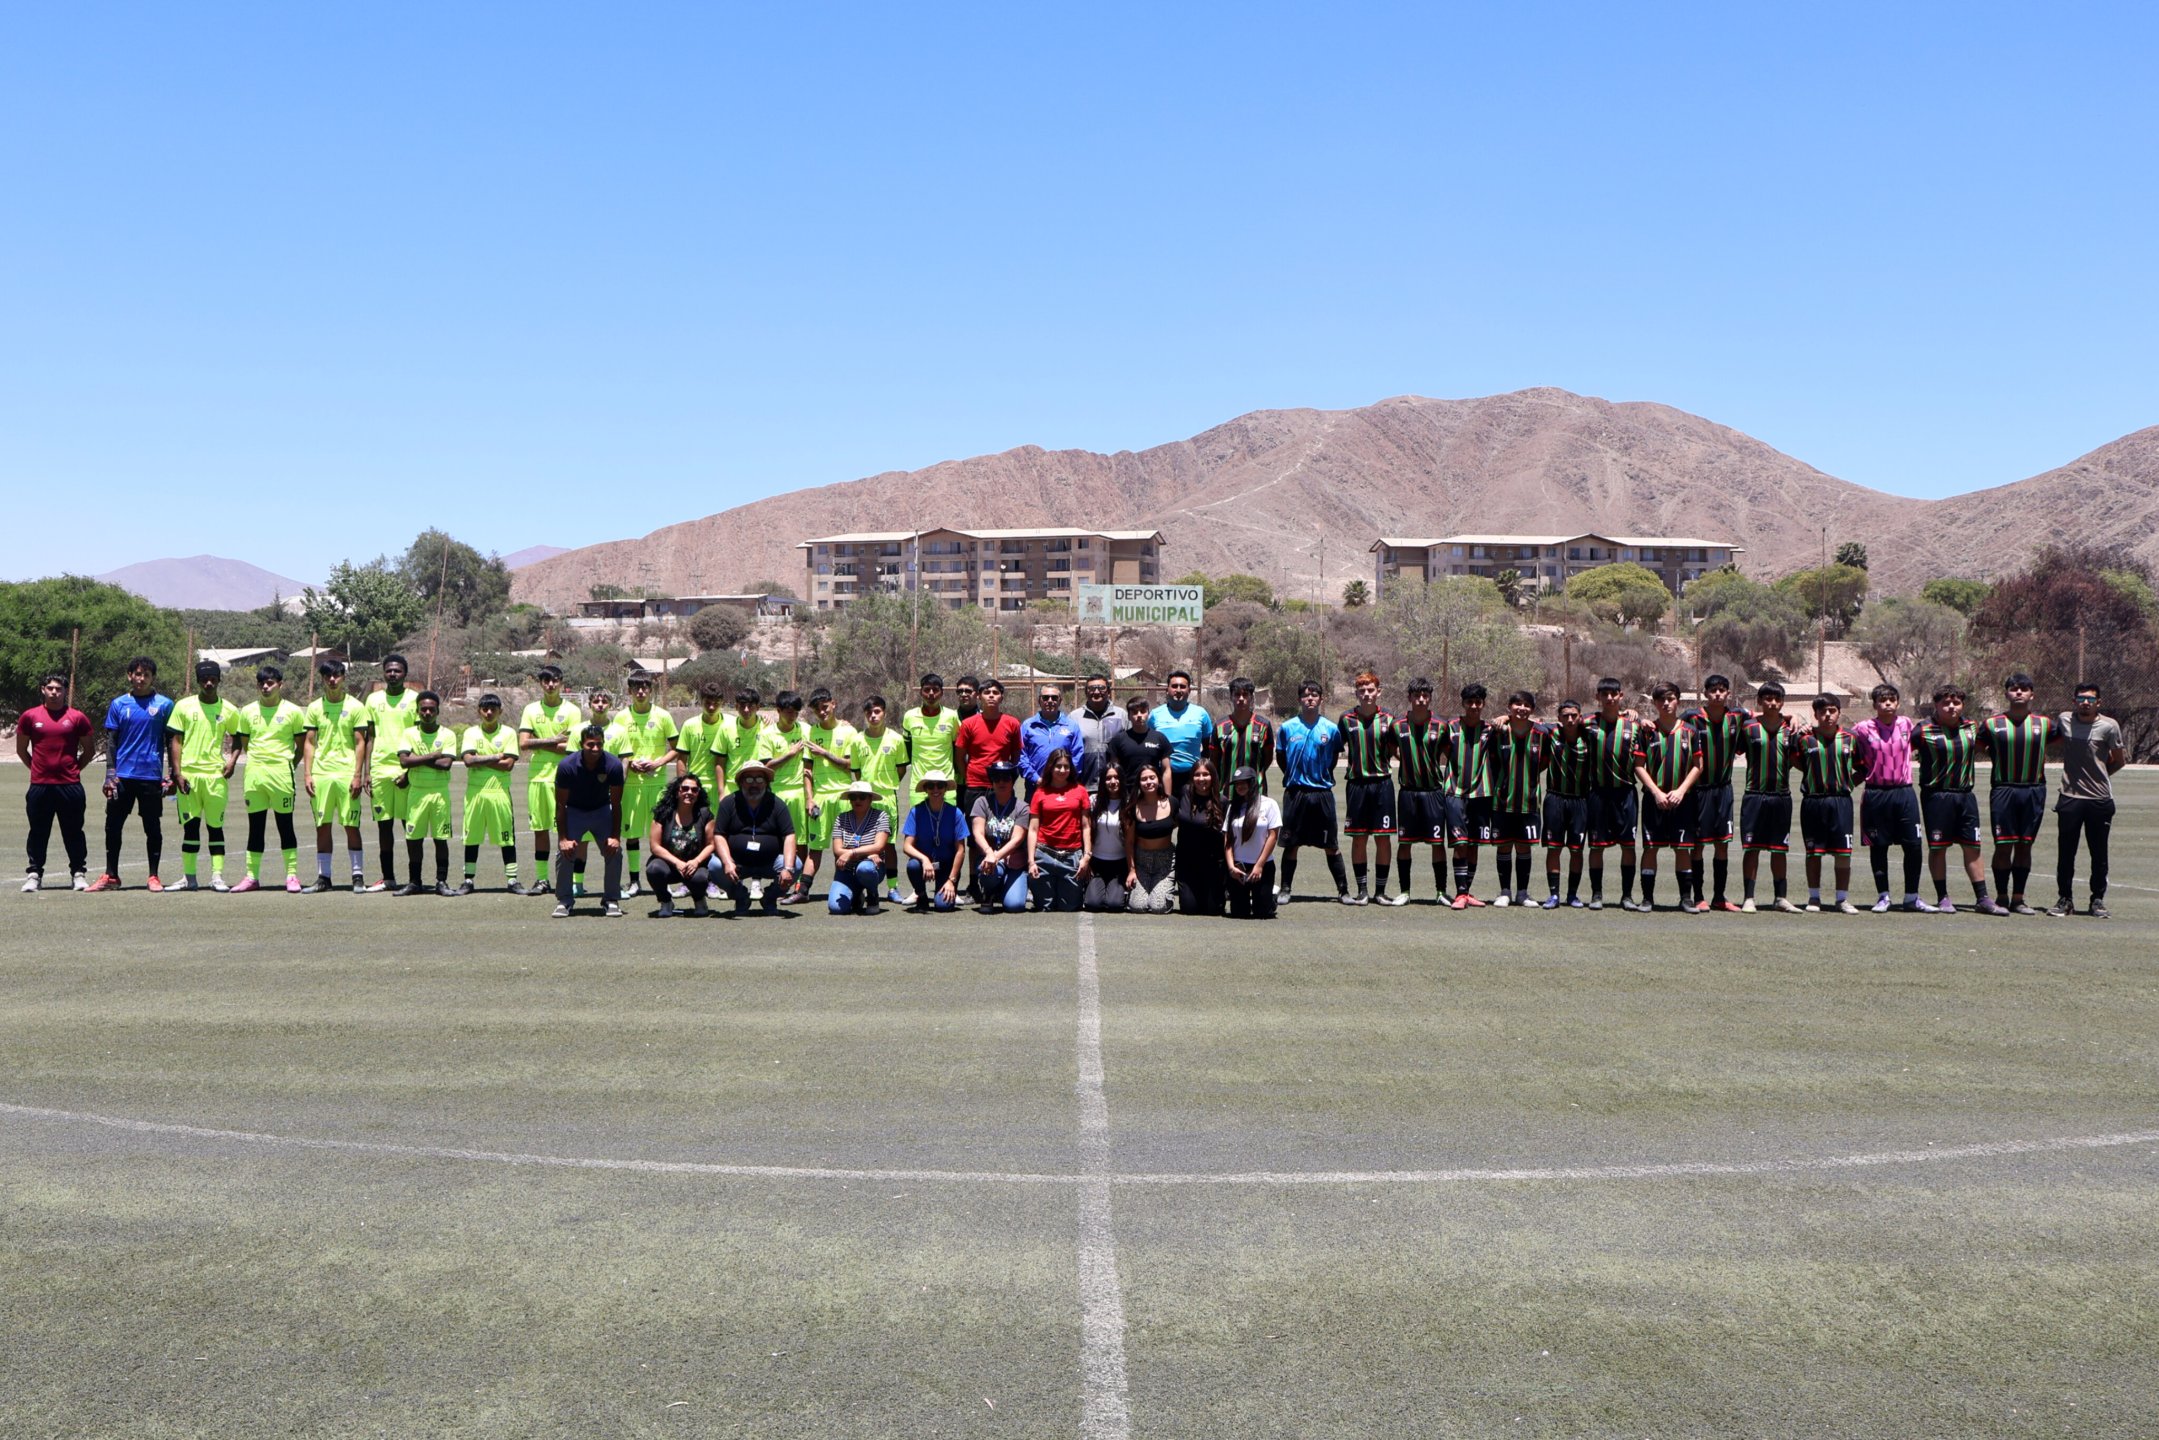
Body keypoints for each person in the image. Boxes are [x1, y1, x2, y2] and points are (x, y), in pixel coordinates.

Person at [1975, 672, 2058, 915]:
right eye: (2013, 688)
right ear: (2006, 693)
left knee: (2024, 846)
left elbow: (2058, 741)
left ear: (2032, 694)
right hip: (2004, 789)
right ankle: (2001, 897)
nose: (2018, 692)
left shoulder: (2045, 724)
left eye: (2024, 688)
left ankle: (2018, 899)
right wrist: (1996, 754)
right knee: (2003, 845)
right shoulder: (1992, 724)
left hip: (2033, 790)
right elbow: (1978, 744)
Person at [91, 657, 173, 892]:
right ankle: (111, 875)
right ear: (130, 676)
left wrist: (170, 773)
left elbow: (171, 741)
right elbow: (112, 741)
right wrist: (110, 773)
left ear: (153, 678)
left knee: (152, 826)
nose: (141, 678)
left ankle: (153, 876)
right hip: (122, 777)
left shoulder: (165, 705)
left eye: (146, 674)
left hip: (151, 776)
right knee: (113, 825)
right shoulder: (119, 704)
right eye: (137, 674)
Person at [1916, 685, 1996, 915]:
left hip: (1965, 796)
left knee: (1973, 846)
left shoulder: (1971, 727)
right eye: (1946, 703)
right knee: (1938, 848)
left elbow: (1988, 747)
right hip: (1936, 796)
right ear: (1936, 705)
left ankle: (1983, 898)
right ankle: (1943, 897)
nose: (1951, 707)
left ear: (1963, 705)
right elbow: (1901, 748)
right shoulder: (1923, 729)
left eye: (1956, 703)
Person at [1851, 682, 1929, 912]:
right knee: (1879, 847)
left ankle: (1912, 897)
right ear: (1874, 704)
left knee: (1913, 845)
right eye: (1882, 700)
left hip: (1904, 792)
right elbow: (1841, 739)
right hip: (1876, 793)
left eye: (1892, 699)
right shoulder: (1863, 728)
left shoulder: (1906, 724)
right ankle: (1883, 897)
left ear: (1898, 703)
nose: (1887, 703)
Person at [230, 665, 308, 892]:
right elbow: (246, 744)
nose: (265, 686)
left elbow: (301, 746)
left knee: (285, 826)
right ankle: (251, 877)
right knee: (255, 828)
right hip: (255, 775)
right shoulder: (247, 711)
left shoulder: (293, 711)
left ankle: (291, 876)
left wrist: (288, 765)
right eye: (262, 683)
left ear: (280, 685)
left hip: (281, 776)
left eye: (270, 683)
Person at [17, 673, 96, 892]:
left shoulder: (77, 717)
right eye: (50, 688)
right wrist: (37, 770)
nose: (54, 692)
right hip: (40, 786)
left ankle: (78, 873)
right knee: (38, 832)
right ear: (43, 689)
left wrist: (73, 770)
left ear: (65, 691)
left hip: (70, 786)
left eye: (58, 689)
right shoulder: (30, 717)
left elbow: (89, 750)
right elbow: (21, 750)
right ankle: (34, 875)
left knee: (74, 831)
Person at [2051, 682, 2124, 918]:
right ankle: (2065, 899)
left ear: (2098, 703)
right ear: (2074, 701)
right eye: (2081, 698)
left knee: (2099, 853)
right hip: (2070, 798)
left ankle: (2097, 900)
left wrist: (2099, 776)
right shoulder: (2064, 720)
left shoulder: (2109, 726)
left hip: (2099, 799)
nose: (2085, 703)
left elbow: (2119, 760)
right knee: (2066, 853)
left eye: (2090, 699)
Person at [299, 660, 371, 892]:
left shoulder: (356, 707)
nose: (332, 679)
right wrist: (307, 774)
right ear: (322, 679)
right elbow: (309, 742)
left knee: (351, 825)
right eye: (328, 676)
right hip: (321, 774)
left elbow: (360, 742)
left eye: (337, 675)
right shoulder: (314, 708)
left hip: (347, 774)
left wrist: (357, 774)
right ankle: (324, 878)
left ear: (343, 677)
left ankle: (357, 877)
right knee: (322, 826)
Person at [1275, 681, 1349, 903]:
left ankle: (1343, 891)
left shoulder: (1331, 729)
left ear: (1321, 699)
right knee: (1291, 844)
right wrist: (1294, 776)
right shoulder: (1287, 728)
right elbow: (1281, 758)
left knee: (1331, 845)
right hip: (1295, 793)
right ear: (1299, 699)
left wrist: (1319, 776)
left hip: (1321, 793)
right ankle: (1285, 890)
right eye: (1306, 695)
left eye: (1314, 695)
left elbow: (1333, 758)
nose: (1310, 698)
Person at [168, 659, 240, 891]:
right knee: (190, 828)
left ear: (219, 680)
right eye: (204, 679)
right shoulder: (183, 706)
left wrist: (232, 761)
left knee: (215, 828)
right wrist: (177, 773)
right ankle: (189, 878)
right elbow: (175, 740)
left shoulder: (229, 709)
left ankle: (217, 877)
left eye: (213, 679)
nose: (209, 683)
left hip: (215, 778)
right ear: (198, 681)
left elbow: (238, 739)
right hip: (189, 777)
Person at [610, 672, 681, 898]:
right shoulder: (621, 717)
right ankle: (634, 881)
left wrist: (657, 762)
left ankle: (665, 880)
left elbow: (678, 748)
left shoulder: (663, 716)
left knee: (662, 833)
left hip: (657, 783)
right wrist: (630, 764)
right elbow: (615, 749)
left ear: (651, 690)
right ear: (629, 691)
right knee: (631, 835)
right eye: (636, 688)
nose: (640, 692)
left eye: (645, 688)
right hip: (631, 784)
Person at [1681, 675, 1749, 912]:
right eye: (1713, 690)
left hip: (1724, 790)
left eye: (1722, 690)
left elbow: (1763, 717)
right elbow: (1669, 726)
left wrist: (1791, 718)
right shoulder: (1691, 717)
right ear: (1705, 694)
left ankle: (1719, 896)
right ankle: (1699, 896)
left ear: (1728, 693)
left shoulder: (1737, 716)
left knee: (1722, 844)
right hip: (1699, 792)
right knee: (1698, 845)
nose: (1717, 694)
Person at [1634, 682, 1703, 913]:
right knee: (1650, 848)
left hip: (1682, 801)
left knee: (1682, 849)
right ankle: (1647, 899)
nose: (1666, 703)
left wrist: (1681, 791)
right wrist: (1656, 792)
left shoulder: (1690, 731)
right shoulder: (1647, 731)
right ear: (1654, 703)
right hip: (1654, 800)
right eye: (1661, 699)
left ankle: (1686, 899)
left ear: (1678, 700)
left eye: (1671, 698)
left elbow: (1698, 766)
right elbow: (1639, 765)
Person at [518, 666, 583, 899]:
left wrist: (540, 741)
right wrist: (554, 740)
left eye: (555, 680)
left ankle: (566, 879)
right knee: (540, 829)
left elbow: (572, 747)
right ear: (541, 683)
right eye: (546, 680)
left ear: (561, 682)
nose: (550, 684)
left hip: (564, 777)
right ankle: (542, 879)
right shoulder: (531, 709)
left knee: (565, 831)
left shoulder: (573, 711)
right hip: (537, 777)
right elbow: (523, 744)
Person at [1738, 683, 1801, 913]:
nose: (1772, 703)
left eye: (1777, 699)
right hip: (1754, 795)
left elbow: (1797, 760)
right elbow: (1734, 750)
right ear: (1759, 701)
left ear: (1782, 702)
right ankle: (1748, 898)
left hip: (1781, 797)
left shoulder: (1791, 729)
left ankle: (1780, 897)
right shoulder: (1748, 727)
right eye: (1768, 698)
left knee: (1779, 849)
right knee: (1751, 848)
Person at [553, 724, 626, 918]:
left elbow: (616, 804)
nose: (595, 748)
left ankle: (611, 899)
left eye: (599, 744)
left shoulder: (613, 765)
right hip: (574, 811)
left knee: (615, 851)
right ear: (581, 745)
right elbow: (560, 805)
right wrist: (563, 839)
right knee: (565, 851)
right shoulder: (567, 766)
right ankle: (564, 900)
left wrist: (615, 837)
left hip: (601, 811)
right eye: (590, 744)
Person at [1795, 694, 1859, 913]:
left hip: (1841, 802)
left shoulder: (1850, 738)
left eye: (1832, 711)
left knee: (1843, 852)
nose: (1828, 715)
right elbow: (1794, 759)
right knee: (1814, 852)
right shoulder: (1805, 739)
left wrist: (1849, 784)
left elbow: (1863, 767)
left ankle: (1842, 899)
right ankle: (1814, 898)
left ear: (1839, 713)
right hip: (1813, 802)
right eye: (1822, 711)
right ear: (1815, 714)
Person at [1339, 671, 1399, 905]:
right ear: (1356, 693)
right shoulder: (1346, 719)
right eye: (1362, 690)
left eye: (1370, 690)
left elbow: (1396, 749)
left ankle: (1380, 891)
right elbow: (1335, 748)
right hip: (1357, 785)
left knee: (1383, 839)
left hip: (1382, 784)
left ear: (1378, 692)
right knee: (1359, 838)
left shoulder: (1389, 719)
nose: (1366, 694)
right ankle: (1362, 891)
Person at [1583, 678, 1642, 911]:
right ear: (1597, 696)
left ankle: (1627, 896)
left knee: (1628, 846)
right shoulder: (1587, 723)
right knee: (1596, 846)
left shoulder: (1634, 725)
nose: (1609, 698)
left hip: (1626, 794)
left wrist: (1637, 715)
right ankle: (1596, 894)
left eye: (1613, 694)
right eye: (1604, 694)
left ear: (1621, 695)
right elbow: (1560, 724)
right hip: (1598, 794)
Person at [712, 759, 798, 916]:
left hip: (770, 862)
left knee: (796, 865)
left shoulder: (777, 804)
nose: (754, 784)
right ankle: (740, 896)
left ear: (766, 782)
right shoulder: (728, 803)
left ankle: (770, 897)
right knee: (714, 865)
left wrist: (788, 868)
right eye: (749, 779)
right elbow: (719, 835)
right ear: (741, 782)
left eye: (759, 779)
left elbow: (789, 835)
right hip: (737, 863)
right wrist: (727, 862)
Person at [363, 654, 419, 893]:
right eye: (389, 671)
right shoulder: (373, 699)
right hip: (380, 770)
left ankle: (414, 879)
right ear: (383, 673)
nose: (393, 674)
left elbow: (419, 738)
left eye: (397, 671)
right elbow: (370, 737)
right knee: (384, 826)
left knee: (410, 826)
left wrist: (410, 770)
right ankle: (388, 878)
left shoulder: (414, 699)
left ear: (405, 674)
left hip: (405, 769)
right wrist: (367, 772)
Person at [394, 690, 459, 896]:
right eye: (423, 709)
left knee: (441, 838)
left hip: (439, 794)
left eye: (431, 709)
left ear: (438, 711)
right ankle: (415, 882)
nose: (427, 713)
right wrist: (432, 756)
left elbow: (446, 764)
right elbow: (404, 761)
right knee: (413, 838)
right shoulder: (409, 734)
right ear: (417, 711)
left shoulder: (447, 735)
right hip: (417, 793)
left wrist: (417, 758)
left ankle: (441, 881)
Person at [1391, 679, 1450, 904]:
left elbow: (1450, 753)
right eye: (1417, 696)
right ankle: (1405, 892)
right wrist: (1407, 760)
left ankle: (1441, 892)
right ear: (1410, 698)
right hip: (1408, 792)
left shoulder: (1441, 725)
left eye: (1425, 696)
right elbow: (1392, 748)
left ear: (1430, 698)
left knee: (1437, 843)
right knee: (1405, 842)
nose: (1421, 700)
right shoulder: (1398, 726)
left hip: (1433, 792)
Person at [458, 693, 524, 893]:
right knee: (471, 838)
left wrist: (481, 759)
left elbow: (508, 765)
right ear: (478, 711)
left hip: (499, 792)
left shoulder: (508, 733)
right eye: (485, 709)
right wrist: (496, 756)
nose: (489, 713)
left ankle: (512, 881)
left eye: (493, 709)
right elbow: (468, 761)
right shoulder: (471, 733)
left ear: (500, 711)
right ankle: (468, 881)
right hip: (475, 792)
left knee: (507, 838)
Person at [1488, 690, 1547, 908]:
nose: (1522, 708)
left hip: (1529, 802)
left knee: (1524, 847)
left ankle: (1522, 893)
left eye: (1526, 705)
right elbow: (1492, 760)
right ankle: (1504, 892)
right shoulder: (1498, 732)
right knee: (1503, 846)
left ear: (1532, 709)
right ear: (1509, 707)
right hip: (1502, 800)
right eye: (1517, 704)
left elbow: (1545, 761)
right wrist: (1503, 719)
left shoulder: (1542, 733)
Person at [801, 687, 862, 901]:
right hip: (820, 799)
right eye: (817, 709)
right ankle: (802, 891)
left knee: (845, 847)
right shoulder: (811, 733)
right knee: (815, 847)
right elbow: (807, 770)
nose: (822, 712)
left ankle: (850, 889)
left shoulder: (848, 732)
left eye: (825, 707)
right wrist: (810, 798)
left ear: (833, 704)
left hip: (844, 796)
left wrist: (825, 753)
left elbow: (851, 764)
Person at [1442, 684, 1497, 909]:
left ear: (1483, 704)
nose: (1474, 706)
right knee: (1460, 843)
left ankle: (1466, 892)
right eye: (1469, 702)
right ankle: (1460, 893)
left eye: (1478, 702)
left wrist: (1504, 717)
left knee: (1473, 844)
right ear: (1463, 703)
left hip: (1481, 794)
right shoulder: (1451, 727)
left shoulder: (1490, 729)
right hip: (1455, 793)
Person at [852, 695, 911, 900]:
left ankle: (893, 888)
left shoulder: (896, 739)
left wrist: (888, 784)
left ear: (884, 713)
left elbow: (901, 770)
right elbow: (857, 772)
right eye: (869, 712)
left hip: (887, 798)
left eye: (877, 711)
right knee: (863, 843)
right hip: (865, 800)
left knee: (889, 845)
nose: (873, 716)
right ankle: (863, 887)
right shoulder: (857, 740)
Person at [1027, 748, 1091, 911]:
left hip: (1071, 856)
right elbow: (1033, 829)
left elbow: (1086, 826)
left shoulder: (1080, 791)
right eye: (1058, 766)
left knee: (1069, 907)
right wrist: (1031, 861)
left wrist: (1086, 856)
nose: (1062, 770)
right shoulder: (1040, 793)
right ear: (1050, 767)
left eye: (1066, 766)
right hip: (1044, 854)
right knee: (1044, 907)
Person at [762, 691, 812, 897]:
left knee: (801, 840)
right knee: (776, 840)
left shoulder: (806, 730)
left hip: (799, 793)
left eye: (796, 713)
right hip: (776, 793)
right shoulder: (768, 734)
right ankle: (779, 881)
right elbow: (766, 766)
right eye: (788, 712)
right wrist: (789, 754)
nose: (792, 716)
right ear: (778, 710)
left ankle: (799, 885)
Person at [645, 773, 716, 918]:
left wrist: (696, 861)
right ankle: (665, 901)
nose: (689, 792)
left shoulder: (705, 814)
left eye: (694, 790)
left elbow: (711, 844)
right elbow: (655, 846)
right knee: (654, 869)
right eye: (684, 788)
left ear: (698, 793)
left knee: (700, 878)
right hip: (669, 863)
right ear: (677, 791)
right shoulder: (663, 813)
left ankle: (699, 899)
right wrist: (677, 863)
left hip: (694, 865)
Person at [970, 760, 1031, 913]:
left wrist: (996, 856)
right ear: (992, 781)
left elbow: (1017, 839)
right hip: (988, 861)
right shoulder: (982, 802)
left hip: (1014, 862)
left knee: (1014, 905)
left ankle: (1004, 887)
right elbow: (977, 833)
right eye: (997, 778)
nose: (1001, 782)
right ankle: (989, 891)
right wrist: (989, 853)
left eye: (1006, 778)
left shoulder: (1022, 807)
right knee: (988, 869)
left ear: (1013, 781)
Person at [900, 770, 965, 913]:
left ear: (946, 788)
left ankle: (947, 888)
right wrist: (924, 860)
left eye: (940, 785)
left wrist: (952, 880)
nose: (936, 789)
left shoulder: (956, 813)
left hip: (947, 865)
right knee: (913, 865)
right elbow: (907, 846)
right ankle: (921, 896)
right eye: (931, 786)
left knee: (943, 906)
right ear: (925, 789)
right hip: (924, 865)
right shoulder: (916, 812)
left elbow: (961, 850)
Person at [1223, 765, 1282, 919]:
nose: (1240, 787)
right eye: (1237, 784)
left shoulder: (1269, 804)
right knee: (1239, 913)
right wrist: (1231, 867)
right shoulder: (1233, 807)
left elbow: (1273, 836)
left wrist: (1259, 866)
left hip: (1262, 866)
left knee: (1262, 913)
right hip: (1239, 868)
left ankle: (1271, 896)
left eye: (1243, 782)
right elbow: (1228, 839)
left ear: (1253, 783)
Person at [827, 779, 893, 916]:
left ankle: (872, 895)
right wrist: (868, 853)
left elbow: (879, 846)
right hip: (846, 871)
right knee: (836, 908)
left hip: (871, 868)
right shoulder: (841, 818)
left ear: (870, 799)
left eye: (862, 797)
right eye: (853, 797)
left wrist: (851, 853)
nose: (857, 800)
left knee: (865, 868)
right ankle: (856, 894)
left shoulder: (881, 816)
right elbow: (837, 850)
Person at [1174, 755, 1229, 915]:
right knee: (1190, 909)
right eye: (1197, 775)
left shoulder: (1222, 801)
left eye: (1206, 774)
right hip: (1187, 864)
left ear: (1213, 777)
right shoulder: (1184, 793)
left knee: (1213, 910)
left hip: (1213, 865)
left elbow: (1229, 836)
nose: (1201, 779)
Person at [1123, 763, 1177, 913]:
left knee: (1158, 907)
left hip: (1165, 861)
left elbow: (1176, 824)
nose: (1148, 782)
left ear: (1159, 780)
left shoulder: (1172, 802)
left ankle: (1163, 892)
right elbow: (1129, 842)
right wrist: (1132, 870)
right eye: (1144, 779)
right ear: (1139, 783)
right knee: (1137, 906)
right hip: (1142, 862)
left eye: (1152, 778)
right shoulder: (1133, 807)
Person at [1153, 670, 1216, 794]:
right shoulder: (1155, 715)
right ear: (1167, 690)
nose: (1178, 690)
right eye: (1174, 686)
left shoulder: (1201, 714)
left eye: (1182, 686)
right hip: (1163, 775)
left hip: (1192, 777)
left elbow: (1207, 747)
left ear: (1189, 690)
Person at [1018, 684, 1083, 796]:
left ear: (1060, 701)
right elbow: (1021, 756)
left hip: (1064, 787)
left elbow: (1078, 756)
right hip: (1035, 787)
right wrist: (1035, 778)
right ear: (1039, 700)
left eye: (1054, 697)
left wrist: (1066, 778)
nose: (1050, 701)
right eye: (1045, 697)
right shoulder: (1028, 726)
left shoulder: (1072, 726)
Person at [1106, 693, 1172, 799]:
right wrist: (1116, 797)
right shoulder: (1118, 740)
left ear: (1148, 714)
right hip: (1127, 795)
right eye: (1135, 712)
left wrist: (1167, 798)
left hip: (1153, 793)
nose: (1139, 715)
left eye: (1143, 711)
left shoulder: (1159, 738)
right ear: (1129, 716)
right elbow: (1114, 771)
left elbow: (1166, 770)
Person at [1083, 764, 1129, 912]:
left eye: (1116, 777)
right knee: (1092, 904)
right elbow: (1086, 830)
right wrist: (1087, 858)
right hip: (1097, 863)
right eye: (1108, 778)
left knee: (1114, 904)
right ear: (1103, 781)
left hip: (1120, 863)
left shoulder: (1129, 802)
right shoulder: (1094, 801)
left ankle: (1121, 891)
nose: (1113, 781)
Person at [1216, 678, 1275, 795]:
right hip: (1228, 793)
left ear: (1251, 698)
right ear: (1231, 697)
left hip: (1256, 791)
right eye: (1237, 695)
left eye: (1245, 695)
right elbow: (1215, 760)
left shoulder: (1263, 725)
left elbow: (1267, 759)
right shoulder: (1220, 726)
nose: (1241, 699)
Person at [675, 681, 732, 797]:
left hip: (723, 786)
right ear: (701, 701)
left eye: (716, 703)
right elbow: (681, 759)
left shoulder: (731, 723)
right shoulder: (689, 725)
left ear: (722, 702)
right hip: (696, 786)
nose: (711, 707)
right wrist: (682, 786)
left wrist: (765, 719)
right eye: (708, 703)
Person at [1073, 674, 1126, 796]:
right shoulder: (1074, 717)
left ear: (1108, 691)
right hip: (1083, 786)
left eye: (1101, 688)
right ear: (1086, 692)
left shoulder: (1121, 715)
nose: (1096, 692)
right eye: (1092, 688)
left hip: (1115, 786)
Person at [723, 688, 770, 796]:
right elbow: (719, 762)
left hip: (758, 786)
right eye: (742, 706)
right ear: (736, 707)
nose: (746, 710)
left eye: (750, 706)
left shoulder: (767, 727)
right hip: (732, 787)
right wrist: (721, 791)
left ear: (758, 707)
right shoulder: (726, 728)